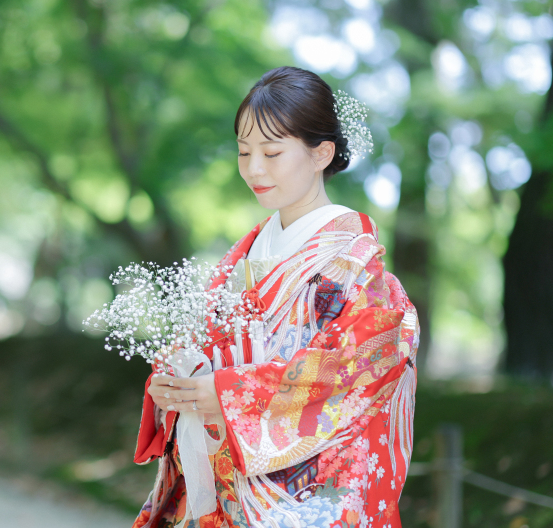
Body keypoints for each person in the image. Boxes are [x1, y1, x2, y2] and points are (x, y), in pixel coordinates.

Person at [131, 66, 419, 528]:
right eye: (244, 151)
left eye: (271, 152)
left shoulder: (354, 261)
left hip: (300, 493)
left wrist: (230, 394)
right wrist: (175, 385)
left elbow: (355, 367)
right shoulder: (242, 253)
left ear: (321, 153)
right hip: (225, 482)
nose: (254, 169)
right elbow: (204, 346)